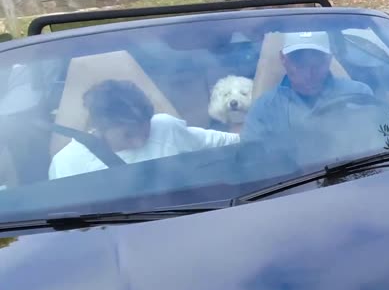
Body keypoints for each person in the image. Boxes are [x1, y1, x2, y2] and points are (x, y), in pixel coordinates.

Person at [49, 80, 240, 180]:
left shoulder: (166, 127)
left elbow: (226, 141)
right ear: (100, 127)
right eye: (128, 135)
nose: (140, 141)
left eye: (144, 129)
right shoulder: (68, 163)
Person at [240, 31, 372, 145]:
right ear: (283, 59)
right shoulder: (264, 110)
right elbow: (253, 161)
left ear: (329, 59)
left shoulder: (359, 94)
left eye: (317, 62)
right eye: (299, 63)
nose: (309, 74)